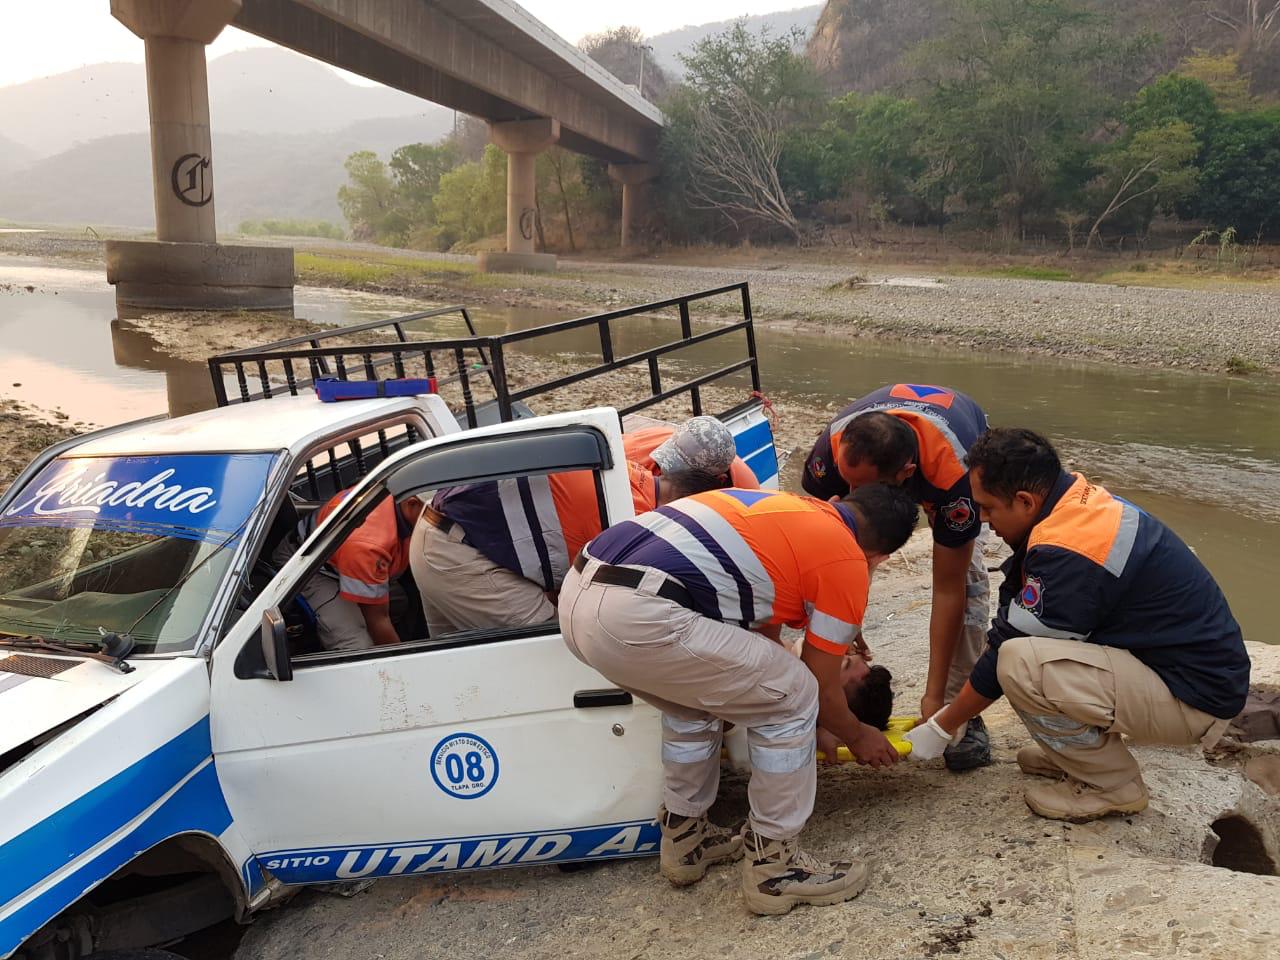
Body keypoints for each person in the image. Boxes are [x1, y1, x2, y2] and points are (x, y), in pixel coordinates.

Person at [558, 484, 919, 915]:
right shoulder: (847, 560)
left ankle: (685, 840)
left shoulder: (786, 508)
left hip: (578, 596)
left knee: (693, 705)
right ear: (880, 556)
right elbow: (820, 687)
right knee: (795, 695)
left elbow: (760, 640)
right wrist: (857, 735)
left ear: (841, 504)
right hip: (639, 611)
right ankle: (775, 869)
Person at [905, 428, 1250, 821]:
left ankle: (1112, 784)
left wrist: (944, 724)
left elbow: (1006, 647)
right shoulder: (1074, 502)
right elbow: (1017, 611)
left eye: (988, 508)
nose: (982, 519)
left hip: (1192, 699)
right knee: (1024, 648)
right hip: (1179, 672)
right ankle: (1080, 754)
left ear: (1024, 500)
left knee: (1019, 663)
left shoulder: (1069, 549)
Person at [801, 383, 993, 771]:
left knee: (969, 586)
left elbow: (947, 588)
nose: (852, 493)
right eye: (847, 482)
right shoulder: (831, 450)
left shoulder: (955, 476)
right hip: (888, 456)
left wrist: (933, 695)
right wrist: (844, 620)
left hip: (952, 452)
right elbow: (828, 553)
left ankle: (961, 711)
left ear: (905, 473)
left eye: (865, 488)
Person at [411, 457, 724, 636]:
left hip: (437, 531)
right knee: (555, 643)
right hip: (459, 556)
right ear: (686, 502)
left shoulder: (630, 473)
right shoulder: (635, 520)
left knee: (450, 656)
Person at [272, 491, 424, 652]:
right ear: (412, 504)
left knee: (399, 603)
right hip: (309, 565)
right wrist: (400, 666)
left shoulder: (398, 495)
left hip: (344, 558)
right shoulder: (368, 543)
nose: (438, 516)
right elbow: (377, 618)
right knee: (356, 645)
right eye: (432, 509)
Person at [623, 415, 760, 489]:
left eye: (677, 476)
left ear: (719, 480)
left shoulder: (746, 492)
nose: (665, 478)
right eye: (663, 464)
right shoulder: (631, 453)